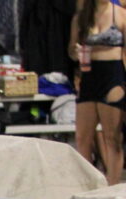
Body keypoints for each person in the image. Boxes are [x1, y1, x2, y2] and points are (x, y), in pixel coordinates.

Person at [70, 0, 126, 184]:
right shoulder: (81, 18)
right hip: (88, 77)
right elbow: (71, 50)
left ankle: (113, 184)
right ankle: (87, 185)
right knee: (83, 136)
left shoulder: (120, 14)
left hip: (113, 77)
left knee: (112, 137)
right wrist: (75, 51)